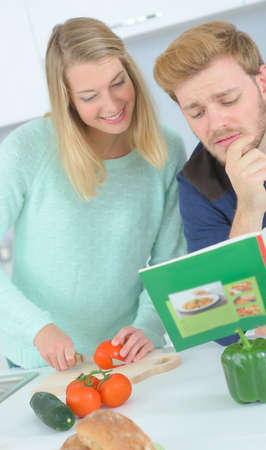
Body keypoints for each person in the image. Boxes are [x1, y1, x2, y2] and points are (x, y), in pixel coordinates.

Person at [0, 17, 186, 370]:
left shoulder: (166, 150)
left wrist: (147, 325)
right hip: (35, 359)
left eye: (118, 83)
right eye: (89, 96)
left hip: (125, 357)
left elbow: (170, 261)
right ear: (67, 99)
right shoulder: (28, 149)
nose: (113, 104)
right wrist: (37, 327)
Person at [153, 20, 266, 351]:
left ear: (263, 83)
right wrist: (248, 210)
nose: (216, 124)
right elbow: (221, 325)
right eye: (196, 112)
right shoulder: (198, 184)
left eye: (228, 99)